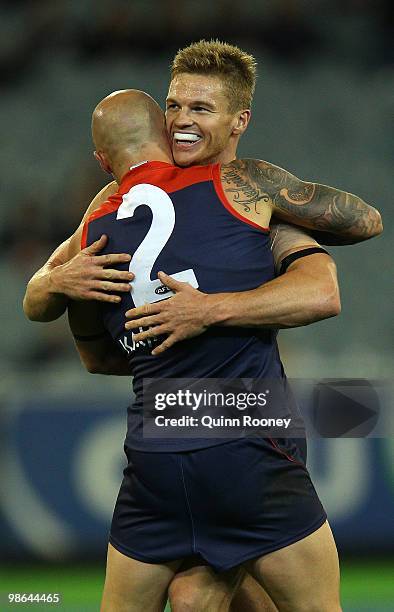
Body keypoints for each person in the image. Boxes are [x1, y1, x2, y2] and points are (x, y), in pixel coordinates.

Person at [23, 41, 382, 612]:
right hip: (231, 435)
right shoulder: (220, 195)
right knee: (209, 599)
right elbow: (358, 233)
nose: (183, 120)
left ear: (239, 120)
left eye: (200, 108)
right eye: (174, 107)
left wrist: (207, 306)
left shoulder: (217, 196)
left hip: (180, 441)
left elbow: (91, 350)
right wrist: (55, 283)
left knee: (198, 599)